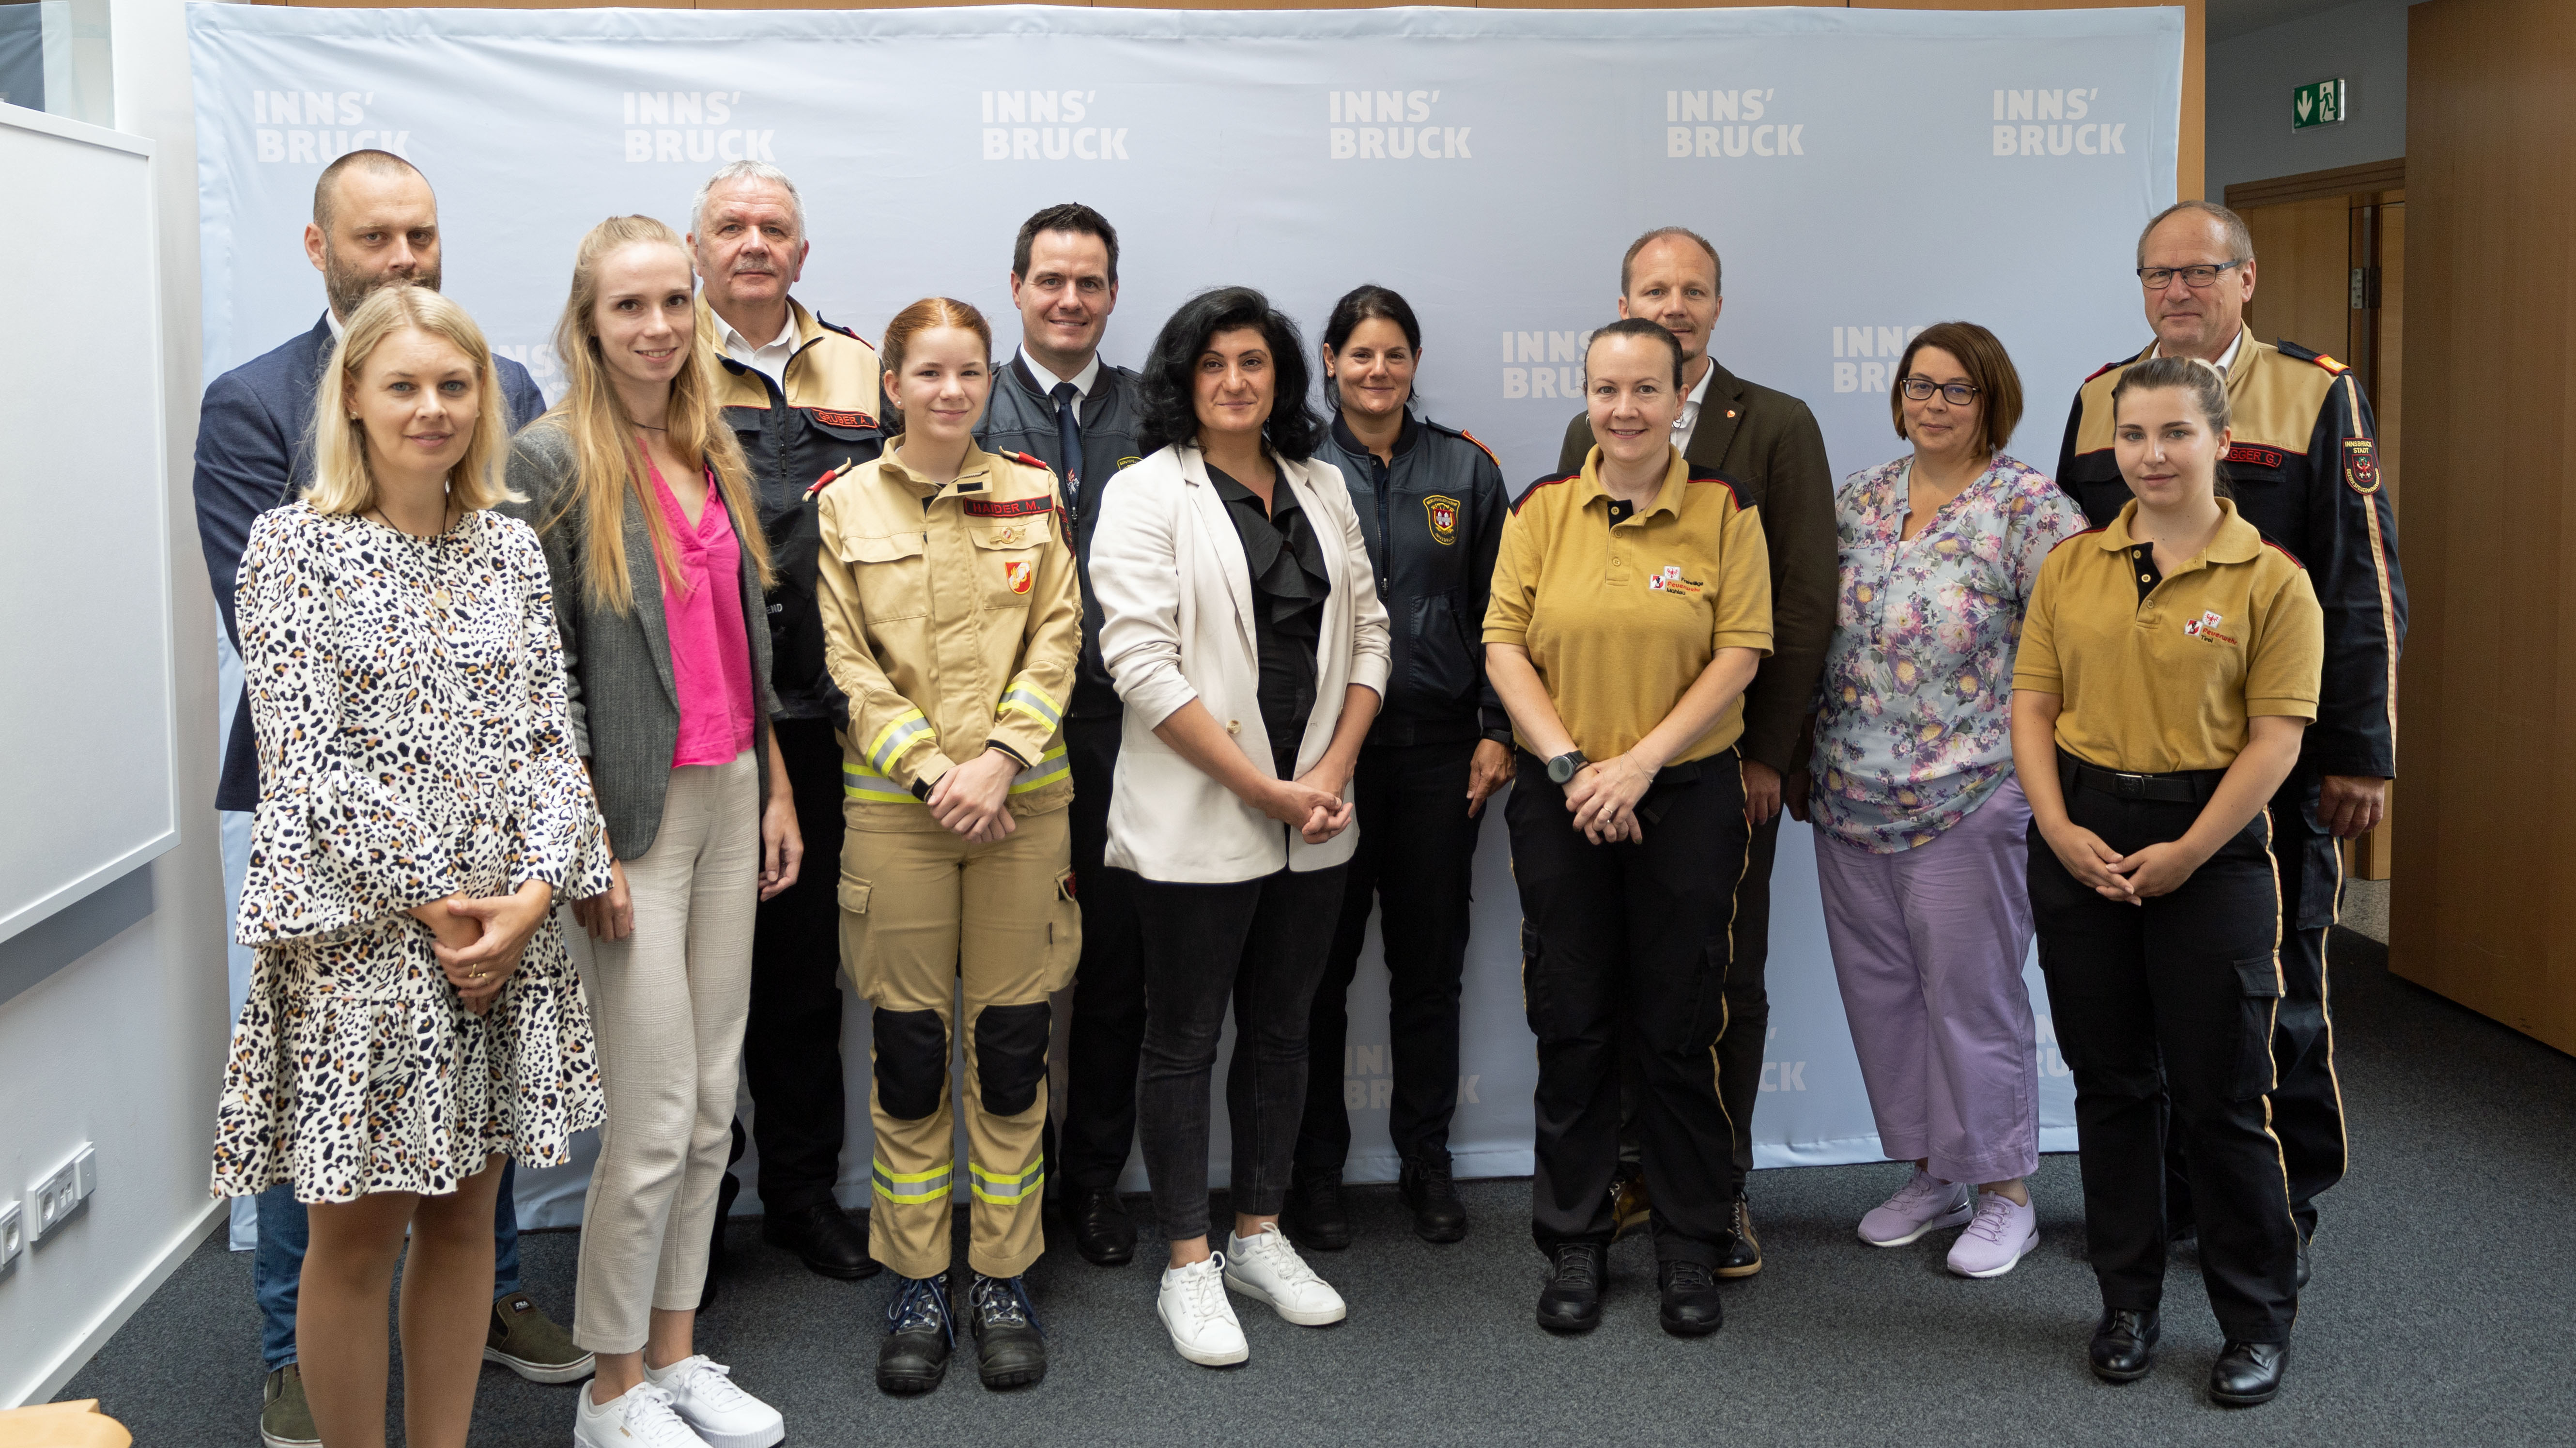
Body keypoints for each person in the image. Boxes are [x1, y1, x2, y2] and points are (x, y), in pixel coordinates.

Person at [186, 147, 584, 1448]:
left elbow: (550, 738)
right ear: (350, 398)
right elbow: (307, 760)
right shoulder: (293, 545)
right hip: (368, 943)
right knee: (356, 1236)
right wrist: (441, 910)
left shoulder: (510, 546)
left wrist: (531, 898)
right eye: (402, 385)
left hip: (504, 935)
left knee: (468, 1219)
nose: (432, 408)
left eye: (454, 385)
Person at [2056, 201, 2403, 1277]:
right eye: (2157, 275)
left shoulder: (2314, 391)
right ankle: (2169, 1194)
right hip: (2125, 760)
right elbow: (2076, 569)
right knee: (2144, 998)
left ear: (2244, 280)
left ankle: (2279, 1201)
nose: (2176, 291)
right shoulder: (2099, 398)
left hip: (2269, 761)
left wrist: (2360, 750)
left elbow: (2359, 581)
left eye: (2199, 273)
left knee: (2275, 989)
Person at [507, 215, 798, 1448]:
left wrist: (775, 784)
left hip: (731, 789)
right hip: (629, 814)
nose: (659, 326)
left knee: (712, 1102)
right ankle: (608, 1387)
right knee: (653, 1113)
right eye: (629, 305)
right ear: (587, 322)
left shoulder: (707, 439)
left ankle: (674, 1357)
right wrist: (580, 841)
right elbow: (540, 673)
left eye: (675, 302)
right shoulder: (545, 460)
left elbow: (745, 637)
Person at [1088, 287, 1391, 1367]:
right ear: (1184, 377)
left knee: (1282, 1029)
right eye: (1212, 363)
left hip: (1318, 809)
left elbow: (1370, 635)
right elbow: (1138, 664)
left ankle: (1258, 1234)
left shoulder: (1322, 482)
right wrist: (1262, 788)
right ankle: (1187, 1260)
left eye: (1253, 361)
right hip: (1200, 810)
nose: (1233, 380)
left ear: (1282, 377)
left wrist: (1327, 773)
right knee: (1181, 1037)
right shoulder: (1142, 491)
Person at [2014, 355, 2322, 1406]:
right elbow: (2032, 706)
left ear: (2220, 442)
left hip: (2209, 850)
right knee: (2110, 1087)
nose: (2151, 455)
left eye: (2175, 433)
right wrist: (2057, 827)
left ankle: (2255, 1319)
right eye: (2133, 435)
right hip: (2082, 843)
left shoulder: (2271, 578)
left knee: (2222, 1097)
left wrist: (2188, 851)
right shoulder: (2071, 566)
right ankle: (2127, 1303)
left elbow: (2276, 741)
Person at [811, 297, 1082, 1395]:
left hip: (1023, 810)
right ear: (892, 384)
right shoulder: (842, 506)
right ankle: (918, 1279)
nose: (950, 390)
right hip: (900, 816)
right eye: (927, 372)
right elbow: (844, 663)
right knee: (912, 1058)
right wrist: (933, 771)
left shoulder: (1034, 491)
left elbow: (1059, 635)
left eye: (968, 371)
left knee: (1013, 1056)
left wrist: (1001, 759)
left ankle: (1003, 1278)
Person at [1553, 228, 1831, 1272]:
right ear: (1624, 301)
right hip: (1598, 773)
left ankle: (1721, 1186)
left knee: (1720, 980)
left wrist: (1768, 753)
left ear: (1718, 304)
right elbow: (1559, 600)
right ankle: (1633, 1175)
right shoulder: (1587, 426)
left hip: (1724, 766)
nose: (1674, 305)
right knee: (1617, 980)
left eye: (1693, 290)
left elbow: (1800, 602)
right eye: (1654, 289)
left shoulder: (1777, 422)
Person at [1489, 317, 1772, 1339]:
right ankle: (1575, 1236)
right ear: (1585, 396)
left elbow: (1740, 652)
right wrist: (1572, 764)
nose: (1624, 409)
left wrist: (1640, 763)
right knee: (1571, 1021)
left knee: (1680, 1024)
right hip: (1563, 796)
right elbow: (1504, 646)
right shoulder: (1541, 508)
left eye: (1646, 389)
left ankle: (1689, 1240)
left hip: (1684, 793)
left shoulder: (1724, 511)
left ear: (1678, 396)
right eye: (1606, 389)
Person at [1802, 322, 2085, 1277]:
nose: (1934, 403)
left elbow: (2078, 644)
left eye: (1957, 389)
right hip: (1848, 796)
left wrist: (2043, 777)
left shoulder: (2028, 509)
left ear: (1991, 402)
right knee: (1885, 1000)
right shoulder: (1859, 498)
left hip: (1970, 795)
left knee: (1972, 999)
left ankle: (2006, 1192)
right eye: (1919, 385)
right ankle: (1936, 1173)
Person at [688, 159, 885, 1288]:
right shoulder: (656, 355)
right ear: (697, 248)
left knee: (806, 978)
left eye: (774, 228)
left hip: (824, 718)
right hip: (700, 716)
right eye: (731, 225)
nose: (753, 242)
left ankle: (804, 1196)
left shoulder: (862, 366)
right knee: (696, 980)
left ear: (802, 253)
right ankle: (698, 1209)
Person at [1282, 284, 1511, 1250]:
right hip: (1324, 763)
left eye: (1395, 354)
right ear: (1329, 361)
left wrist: (1497, 726)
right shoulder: (1291, 464)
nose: (1377, 370)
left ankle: (1427, 1162)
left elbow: (1505, 612)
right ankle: (1315, 1173)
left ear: (1414, 364)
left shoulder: (1465, 468)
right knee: (1316, 976)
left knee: (1428, 973)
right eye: (1360, 353)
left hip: (1438, 758)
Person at [972, 203, 1151, 1268]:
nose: (1069, 300)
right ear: (1017, 288)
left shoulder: (1153, 410)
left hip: (1132, 732)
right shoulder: (970, 401)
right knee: (1017, 972)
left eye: (1089, 282)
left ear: (1112, 294)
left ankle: (1092, 1181)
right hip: (1008, 735)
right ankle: (1016, 1184)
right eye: (1050, 280)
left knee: (1118, 968)